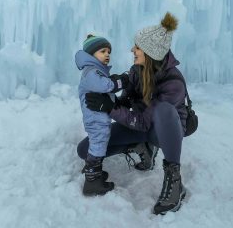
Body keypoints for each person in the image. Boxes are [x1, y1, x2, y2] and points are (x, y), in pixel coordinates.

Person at [76, 12, 188, 215]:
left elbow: (145, 122)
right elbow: (125, 103)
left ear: (150, 52)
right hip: (139, 125)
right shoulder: (137, 71)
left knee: (163, 111)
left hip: (164, 133)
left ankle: (175, 180)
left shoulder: (174, 82)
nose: (132, 50)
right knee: (85, 150)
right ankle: (141, 146)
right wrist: (105, 100)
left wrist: (109, 108)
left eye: (137, 47)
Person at [75, 35, 129, 196]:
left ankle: (94, 172)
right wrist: (119, 82)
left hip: (98, 117)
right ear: (91, 54)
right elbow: (104, 86)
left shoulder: (94, 71)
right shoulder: (91, 72)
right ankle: (92, 181)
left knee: (99, 143)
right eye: (102, 51)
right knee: (98, 145)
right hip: (95, 119)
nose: (107, 55)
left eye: (109, 52)